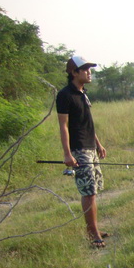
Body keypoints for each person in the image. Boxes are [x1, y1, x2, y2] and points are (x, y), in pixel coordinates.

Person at [56, 55, 108, 249]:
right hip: (79, 149)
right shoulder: (65, 95)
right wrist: (67, 154)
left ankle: (93, 228)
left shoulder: (83, 93)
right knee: (88, 191)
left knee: (93, 191)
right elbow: (64, 126)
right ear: (73, 72)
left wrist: (98, 144)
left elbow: (87, 123)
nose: (89, 72)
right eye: (85, 69)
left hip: (91, 147)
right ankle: (93, 234)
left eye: (89, 69)